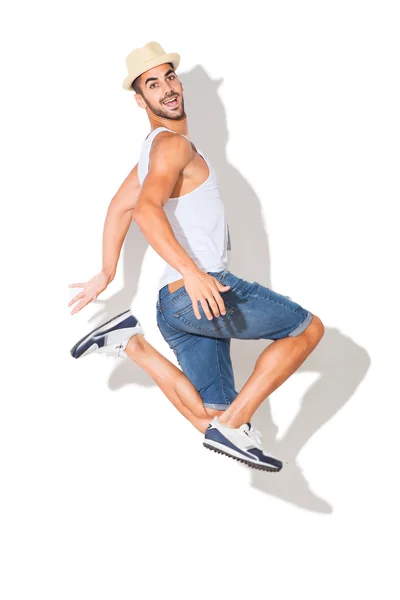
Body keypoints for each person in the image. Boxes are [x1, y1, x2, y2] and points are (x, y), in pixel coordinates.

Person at [68, 42, 325, 472]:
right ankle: (234, 427)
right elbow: (146, 211)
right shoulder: (171, 147)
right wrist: (194, 273)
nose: (167, 88)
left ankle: (129, 341)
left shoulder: (151, 153)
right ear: (140, 99)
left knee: (212, 417)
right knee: (308, 330)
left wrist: (108, 272)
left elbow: (120, 207)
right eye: (153, 83)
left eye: (170, 77)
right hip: (197, 291)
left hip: (174, 306)